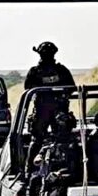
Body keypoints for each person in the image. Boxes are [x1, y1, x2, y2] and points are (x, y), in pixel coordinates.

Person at [24, 41, 76, 177]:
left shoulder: (57, 70)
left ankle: (31, 170)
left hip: (55, 111)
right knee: (39, 140)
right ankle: (30, 169)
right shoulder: (42, 71)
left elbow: (71, 88)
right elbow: (29, 89)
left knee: (62, 140)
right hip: (45, 111)